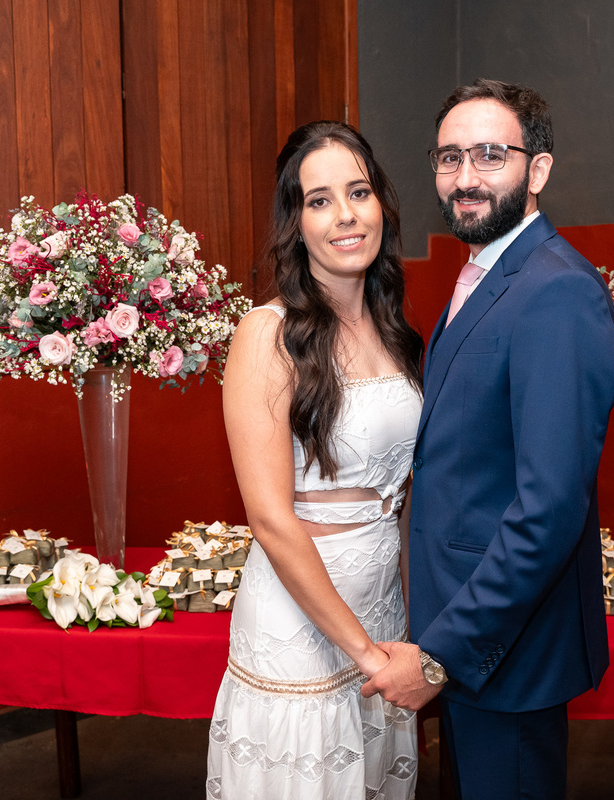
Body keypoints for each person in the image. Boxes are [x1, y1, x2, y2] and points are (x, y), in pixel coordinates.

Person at [361, 79, 614, 799]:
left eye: (490, 156)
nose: (465, 178)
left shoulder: (555, 291)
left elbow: (548, 510)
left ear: (537, 170)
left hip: (508, 649)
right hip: (469, 625)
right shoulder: (487, 273)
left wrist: (441, 654)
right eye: (450, 158)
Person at [207, 121, 424, 800]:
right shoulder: (266, 335)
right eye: (319, 199)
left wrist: (408, 635)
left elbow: (409, 492)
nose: (345, 215)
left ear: (381, 205)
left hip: (384, 611)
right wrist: (366, 656)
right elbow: (270, 520)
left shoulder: (397, 333)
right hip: (300, 628)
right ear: (295, 222)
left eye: (358, 192)